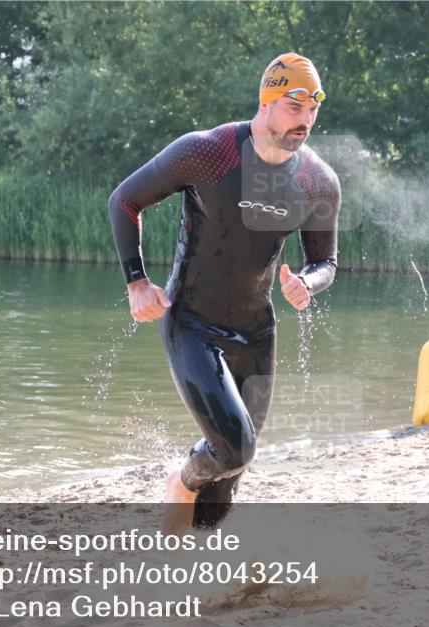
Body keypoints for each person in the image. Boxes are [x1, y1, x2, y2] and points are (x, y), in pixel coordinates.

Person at [108, 52, 341, 534]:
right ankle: (179, 481)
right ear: (266, 101)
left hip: (256, 333)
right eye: (295, 107)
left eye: (313, 110)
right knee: (236, 448)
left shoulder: (317, 180)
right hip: (192, 323)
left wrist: (307, 284)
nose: (306, 120)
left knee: (224, 488)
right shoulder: (209, 152)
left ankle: (183, 555)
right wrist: (137, 282)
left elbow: (326, 262)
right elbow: (125, 201)